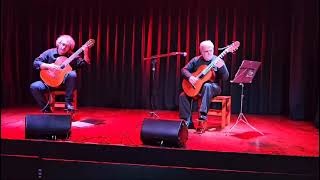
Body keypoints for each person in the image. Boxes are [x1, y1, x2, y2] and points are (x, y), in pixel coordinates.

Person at [30, 35, 91, 113]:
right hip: (48, 82)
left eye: (67, 46)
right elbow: (36, 63)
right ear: (58, 43)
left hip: (64, 84)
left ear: (70, 48)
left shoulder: (72, 56)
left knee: (72, 74)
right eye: (63, 44)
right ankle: (46, 108)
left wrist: (85, 52)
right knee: (34, 86)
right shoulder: (49, 52)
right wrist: (49, 66)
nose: (63, 47)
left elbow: (84, 63)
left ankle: (68, 103)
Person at [179, 40, 229, 129]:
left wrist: (222, 68)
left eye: (211, 50)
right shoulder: (196, 60)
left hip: (214, 87)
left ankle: (202, 116)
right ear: (201, 52)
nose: (209, 53)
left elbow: (225, 78)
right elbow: (184, 70)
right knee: (183, 95)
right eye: (206, 51)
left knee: (207, 86)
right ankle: (187, 121)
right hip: (198, 88)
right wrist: (190, 77)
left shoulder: (218, 60)